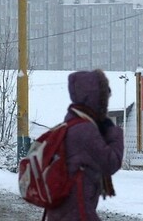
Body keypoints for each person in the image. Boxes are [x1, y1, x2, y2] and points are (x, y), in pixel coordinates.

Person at [45, 69, 124, 221]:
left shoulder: (69, 124)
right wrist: (114, 133)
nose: (106, 103)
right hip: (77, 212)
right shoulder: (85, 131)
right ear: (95, 99)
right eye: (104, 99)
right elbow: (110, 162)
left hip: (63, 210)